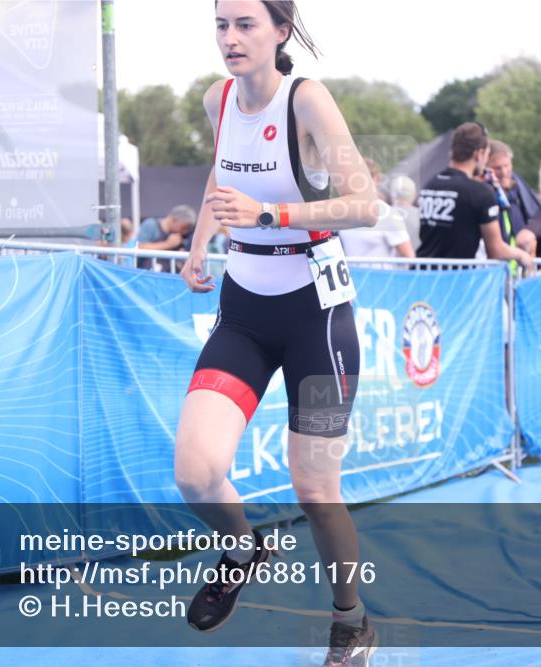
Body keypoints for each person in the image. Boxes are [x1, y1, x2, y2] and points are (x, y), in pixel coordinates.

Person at [176, 2, 379, 663]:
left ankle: (351, 620)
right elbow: (221, 172)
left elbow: (365, 203)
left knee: (316, 490)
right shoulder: (219, 100)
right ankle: (243, 545)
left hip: (317, 319)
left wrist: (271, 212)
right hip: (245, 310)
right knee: (196, 473)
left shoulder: (307, 102)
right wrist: (200, 244)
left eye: (245, 25)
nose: (229, 38)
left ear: (280, 31)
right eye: (220, 25)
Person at [416, 122, 533, 270]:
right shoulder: (480, 192)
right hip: (455, 282)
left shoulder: (430, 184)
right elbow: (496, 250)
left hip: (423, 276)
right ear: (479, 154)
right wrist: (522, 256)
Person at [485, 140, 541, 243]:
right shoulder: (481, 196)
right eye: (497, 168)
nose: (504, 172)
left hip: (518, 256)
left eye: (506, 166)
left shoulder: (522, 191)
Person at [136, 205, 198, 270]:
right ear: (174, 220)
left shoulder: (182, 236)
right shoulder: (151, 225)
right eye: (183, 228)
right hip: (147, 274)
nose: (185, 232)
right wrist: (168, 244)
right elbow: (140, 247)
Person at [389, 174, 421, 249]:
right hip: (417, 258)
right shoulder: (423, 216)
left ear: (391, 194)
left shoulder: (381, 216)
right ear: (415, 194)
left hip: (388, 260)